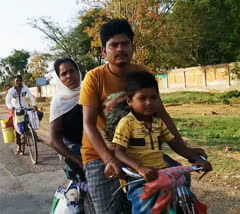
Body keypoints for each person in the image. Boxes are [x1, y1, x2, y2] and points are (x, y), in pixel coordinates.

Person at [79, 19, 206, 214]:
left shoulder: (142, 73)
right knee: (108, 211)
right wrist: (108, 159)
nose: (120, 49)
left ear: (132, 46)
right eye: (113, 45)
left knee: (180, 186)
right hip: (99, 153)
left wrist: (187, 152)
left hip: (141, 150)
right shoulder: (94, 78)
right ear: (104, 52)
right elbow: (88, 124)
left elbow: (161, 114)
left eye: (125, 43)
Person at [112, 71, 212, 213]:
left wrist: (195, 157)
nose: (149, 103)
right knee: (145, 207)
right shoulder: (126, 124)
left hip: (163, 172)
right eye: (142, 98)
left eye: (153, 98)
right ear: (130, 101)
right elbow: (118, 152)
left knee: (189, 201)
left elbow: (174, 143)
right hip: (140, 178)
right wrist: (140, 168)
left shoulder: (158, 121)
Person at [49, 58, 85, 181]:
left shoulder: (89, 91)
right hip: (76, 154)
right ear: (59, 78)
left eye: (72, 71)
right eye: (64, 74)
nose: (69, 76)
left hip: (98, 149)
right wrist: (75, 159)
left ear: (78, 72)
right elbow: (54, 140)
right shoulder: (59, 101)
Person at [5, 75, 38, 154]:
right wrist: (11, 107)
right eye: (17, 81)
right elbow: (7, 101)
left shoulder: (25, 88)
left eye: (20, 81)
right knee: (17, 128)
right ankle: (19, 146)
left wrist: (34, 105)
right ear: (14, 82)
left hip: (25, 108)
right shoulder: (11, 91)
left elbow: (31, 96)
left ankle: (32, 135)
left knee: (34, 118)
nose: (18, 82)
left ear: (22, 81)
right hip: (17, 110)